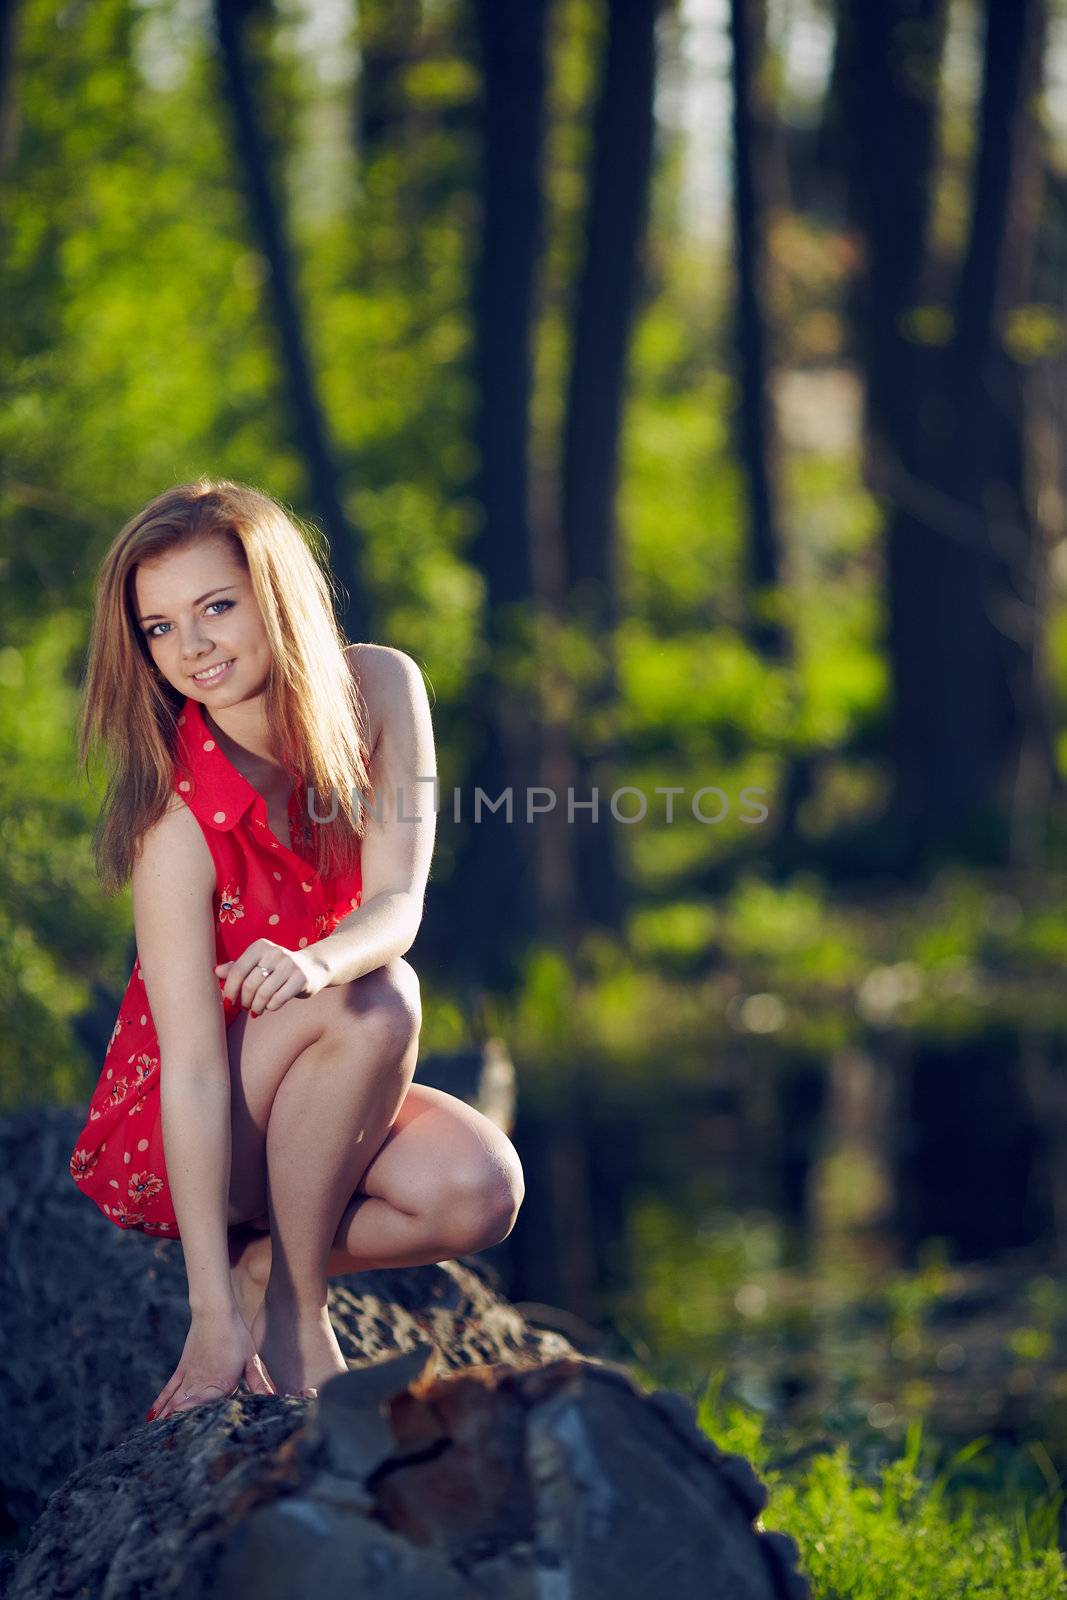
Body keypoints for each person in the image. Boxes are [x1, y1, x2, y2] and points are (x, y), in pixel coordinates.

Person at [69, 479, 525, 1418]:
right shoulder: (176, 825)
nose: (191, 647)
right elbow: (192, 1070)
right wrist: (206, 1313)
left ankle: (274, 1266)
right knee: (381, 999)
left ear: (276, 593)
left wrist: (316, 961)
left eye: (216, 607)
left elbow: (398, 903)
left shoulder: (382, 689)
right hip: (186, 1129)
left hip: (323, 1078)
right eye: (158, 628)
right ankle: (286, 1308)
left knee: (477, 1191)